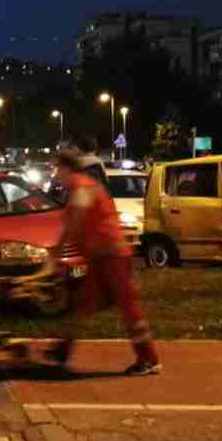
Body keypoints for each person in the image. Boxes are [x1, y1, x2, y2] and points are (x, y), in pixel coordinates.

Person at [46, 148, 161, 376]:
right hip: (102, 257)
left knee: (128, 308)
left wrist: (57, 249)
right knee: (83, 303)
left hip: (111, 257)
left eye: (56, 168)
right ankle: (61, 350)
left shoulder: (82, 186)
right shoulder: (83, 186)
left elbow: (76, 222)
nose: (54, 174)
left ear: (67, 168)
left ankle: (149, 359)